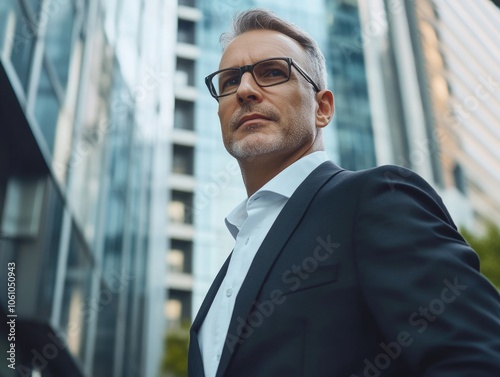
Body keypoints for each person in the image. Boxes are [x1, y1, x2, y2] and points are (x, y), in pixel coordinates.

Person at [188, 8, 500, 377]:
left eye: (272, 72)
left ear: (322, 108)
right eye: (228, 82)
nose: (244, 90)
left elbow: (476, 357)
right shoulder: (220, 287)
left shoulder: (376, 198)